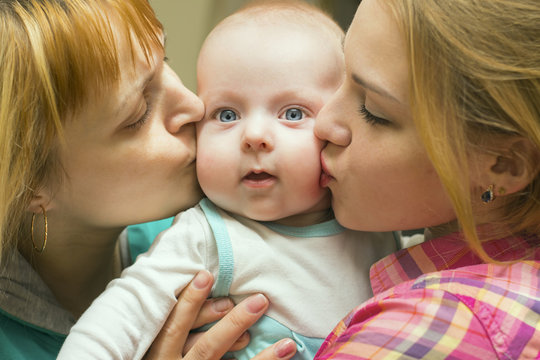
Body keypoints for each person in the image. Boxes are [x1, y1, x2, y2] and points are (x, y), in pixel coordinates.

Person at [182, 0, 540, 358]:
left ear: (504, 163)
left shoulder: (416, 333)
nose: (323, 125)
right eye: (342, 81)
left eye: (373, 110)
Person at [57, 2, 398, 359]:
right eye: (227, 114)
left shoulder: (374, 222)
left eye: (293, 113)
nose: (253, 136)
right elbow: (115, 321)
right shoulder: (205, 237)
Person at [0, 1, 286, 359]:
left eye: (164, 61)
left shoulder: (211, 231)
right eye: (138, 114)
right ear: (29, 182)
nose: (196, 107)